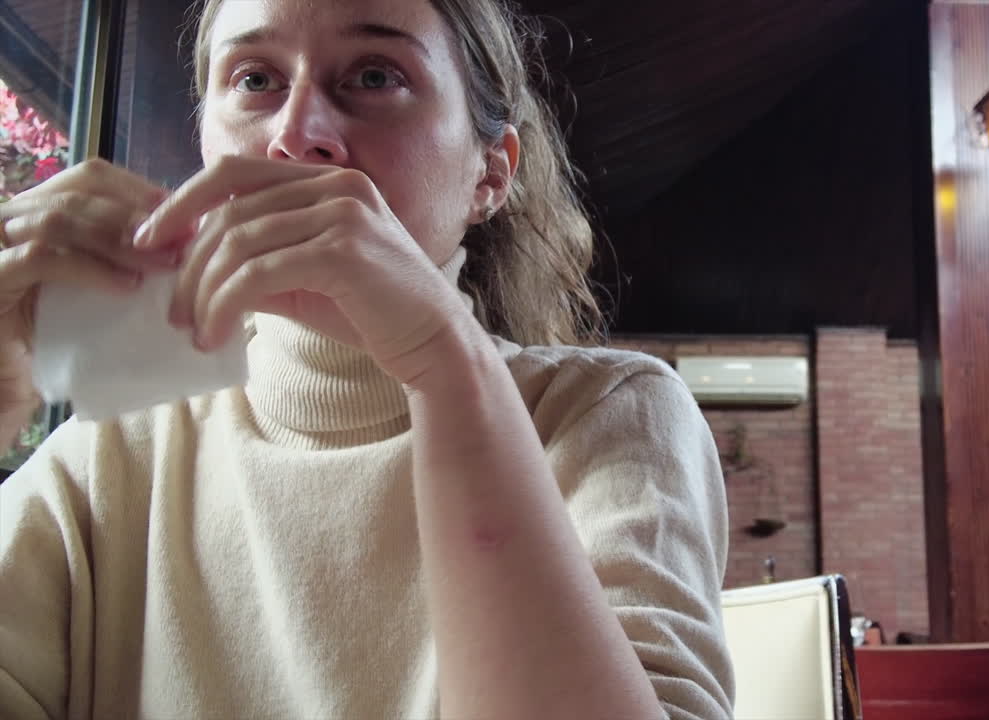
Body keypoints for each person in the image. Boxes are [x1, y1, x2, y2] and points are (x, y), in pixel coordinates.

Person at [0, 0, 734, 717]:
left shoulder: (607, 416)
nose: (296, 136)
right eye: (255, 79)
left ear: (491, 173)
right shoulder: (107, 459)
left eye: (376, 76)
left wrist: (444, 361)